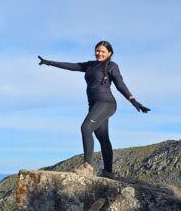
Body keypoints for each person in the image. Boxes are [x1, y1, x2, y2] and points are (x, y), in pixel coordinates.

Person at [38, 41, 150, 177]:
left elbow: (120, 84)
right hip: (94, 105)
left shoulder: (112, 66)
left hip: (106, 103)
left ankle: (87, 167)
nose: (99, 53)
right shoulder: (90, 65)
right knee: (103, 138)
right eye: (97, 50)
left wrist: (133, 100)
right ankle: (108, 172)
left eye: (103, 51)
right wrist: (48, 62)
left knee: (86, 128)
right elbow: (72, 66)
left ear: (109, 53)